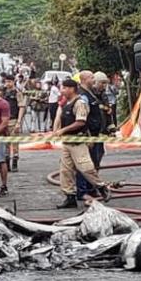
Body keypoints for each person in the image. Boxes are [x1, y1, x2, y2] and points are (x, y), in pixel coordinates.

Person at [53, 78, 109, 208]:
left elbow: (81, 122)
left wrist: (63, 130)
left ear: (72, 89)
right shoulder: (67, 103)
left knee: (86, 168)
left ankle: (101, 187)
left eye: (65, 88)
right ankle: (70, 197)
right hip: (67, 142)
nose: (62, 91)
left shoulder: (80, 103)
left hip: (78, 142)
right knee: (66, 171)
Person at [75, 71, 108, 201]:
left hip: (97, 135)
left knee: (94, 162)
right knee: (85, 164)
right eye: (91, 77)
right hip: (90, 136)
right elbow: (84, 118)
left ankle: (91, 187)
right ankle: (83, 191)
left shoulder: (93, 94)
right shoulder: (83, 96)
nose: (93, 79)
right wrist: (88, 135)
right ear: (84, 79)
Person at [2, 74, 22, 171]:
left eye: (9, 82)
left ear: (13, 81)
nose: (7, 84)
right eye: (6, 82)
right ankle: (6, 164)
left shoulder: (17, 92)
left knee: (14, 143)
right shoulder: (3, 92)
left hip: (13, 120)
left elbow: (21, 107)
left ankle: (14, 162)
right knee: (5, 144)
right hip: (4, 121)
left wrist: (19, 122)